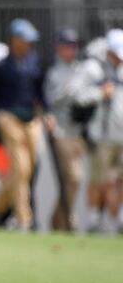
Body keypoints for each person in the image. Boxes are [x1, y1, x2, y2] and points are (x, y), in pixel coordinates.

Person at [0, 18, 44, 231]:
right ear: (15, 40)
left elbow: (39, 91)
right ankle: (23, 217)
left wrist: (46, 111)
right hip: (9, 119)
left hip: (31, 120)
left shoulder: (33, 62)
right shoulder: (1, 64)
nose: (29, 45)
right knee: (21, 166)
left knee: (29, 168)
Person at [43, 28, 103, 231]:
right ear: (58, 47)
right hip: (61, 131)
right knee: (74, 178)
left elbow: (91, 92)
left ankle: (58, 220)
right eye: (67, 45)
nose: (71, 50)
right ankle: (66, 220)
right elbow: (55, 100)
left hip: (80, 132)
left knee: (73, 180)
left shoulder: (82, 68)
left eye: (74, 46)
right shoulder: (54, 72)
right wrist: (77, 91)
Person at [86, 29, 123, 233]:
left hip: (122, 136)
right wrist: (100, 93)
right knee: (103, 180)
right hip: (102, 136)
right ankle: (94, 220)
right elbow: (78, 96)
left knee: (118, 181)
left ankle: (119, 221)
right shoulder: (94, 68)